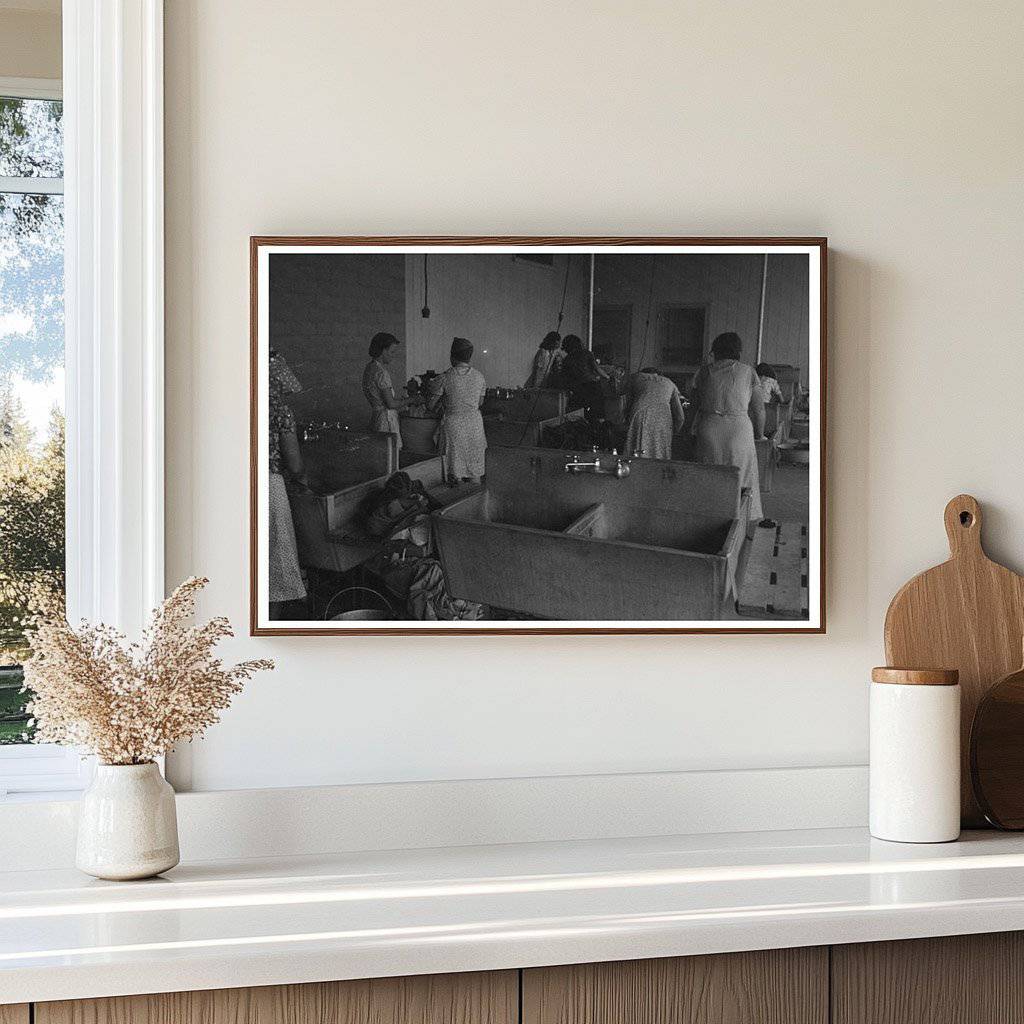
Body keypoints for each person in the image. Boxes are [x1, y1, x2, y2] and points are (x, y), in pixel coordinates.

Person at [693, 332, 764, 520]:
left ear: (715, 350)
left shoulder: (704, 372)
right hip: (739, 430)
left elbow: (693, 407)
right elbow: (758, 409)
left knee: (710, 476)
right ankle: (740, 520)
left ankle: (710, 519)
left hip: (709, 428)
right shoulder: (748, 372)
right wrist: (760, 435)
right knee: (742, 477)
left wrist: (686, 432)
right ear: (738, 351)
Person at [268, 351, 306, 613]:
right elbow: (295, 465)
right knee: (276, 566)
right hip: (268, 487)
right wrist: (303, 478)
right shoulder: (279, 410)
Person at [430, 337, 488, 483]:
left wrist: (443, 402)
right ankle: (475, 494)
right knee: (474, 470)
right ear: (469, 357)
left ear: (452, 356)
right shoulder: (479, 376)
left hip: (454, 426)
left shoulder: (445, 377)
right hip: (474, 427)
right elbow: (480, 402)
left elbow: (430, 405)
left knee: (455, 471)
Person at [362, 332, 419, 450]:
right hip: (385, 421)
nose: (393, 356)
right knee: (389, 454)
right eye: (392, 352)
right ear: (383, 351)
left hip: (377, 418)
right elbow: (391, 404)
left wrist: (403, 400)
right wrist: (412, 399)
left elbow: (383, 400)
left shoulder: (369, 368)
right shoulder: (381, 373)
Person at [625, 367, 687, 460]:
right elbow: (680, 416)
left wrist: (626, 420)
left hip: (640, 415)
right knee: (660, 452)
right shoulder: (669, 382)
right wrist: (674, 432)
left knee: (637, 452)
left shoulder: (636, 377)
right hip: (663, 419)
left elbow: (627, 403)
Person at [559, 334, 608, 423]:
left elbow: (565, 379)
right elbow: (597, 369)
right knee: (599, 414)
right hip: (593, 387)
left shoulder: (567, 359)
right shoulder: (586, 353)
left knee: (581, 416)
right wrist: (608, 377)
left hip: (578, 390)